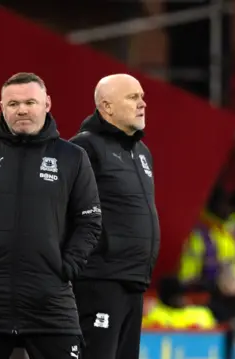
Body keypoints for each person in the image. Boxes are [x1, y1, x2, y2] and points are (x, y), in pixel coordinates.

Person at [0, 72, 102, 359]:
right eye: (13, 104)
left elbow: (89, 221)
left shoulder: (72, 157)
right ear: (2, 107)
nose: (22, 109)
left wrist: (66, 267)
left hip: (51, 303)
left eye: (30, 102)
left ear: (47, 104)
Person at [69, 73, 160, 359]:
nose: (142, 103)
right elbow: (66, 211)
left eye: (142, 96)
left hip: (133, 280)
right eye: (133, 97)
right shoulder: (83, 148)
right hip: (99, 280)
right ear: (106, 107)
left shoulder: (142, 152)